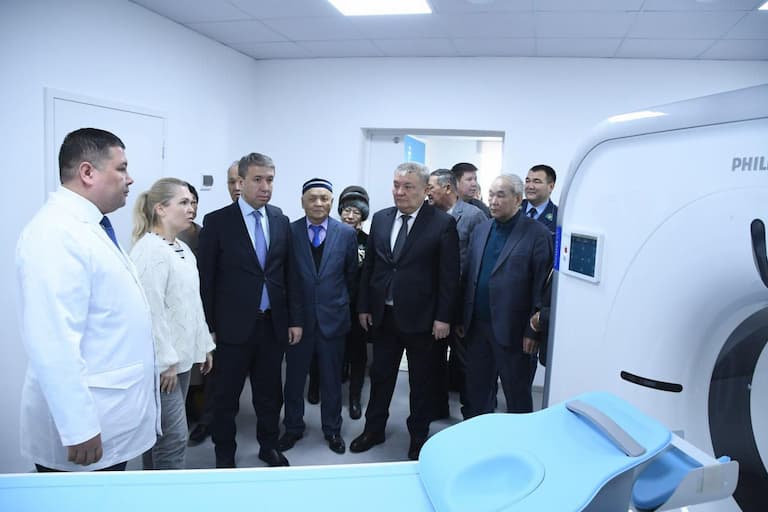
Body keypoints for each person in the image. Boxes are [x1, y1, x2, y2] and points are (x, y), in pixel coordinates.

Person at [15, 127, 159, 472]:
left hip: (111, 414)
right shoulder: (56, 233)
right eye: (121, 168)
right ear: (87, 172)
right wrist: (78, 427)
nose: (130, 179)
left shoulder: (90, 226)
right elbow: (52, 340)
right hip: (87, 431)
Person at [197, 152, 303, 468]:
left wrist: (295, 319)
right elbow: (206, 280)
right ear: (240, 182)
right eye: (258, 179)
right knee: (225, 398)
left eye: (270, 180)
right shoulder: (217, 222)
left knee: (270, 395)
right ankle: (224, 455)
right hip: (231, 328)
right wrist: (208, 327)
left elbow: (290, 274)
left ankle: (268, 446)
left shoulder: (280, 221)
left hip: (272, 326)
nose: (265, 186)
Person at [350, 162, 459, 461]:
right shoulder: (382, 218)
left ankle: (418, 436)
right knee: (381, 376)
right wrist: (364, 306)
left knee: (420, 382)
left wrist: (443, 317)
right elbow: (370, 267)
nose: (400, 192)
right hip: (384, 316)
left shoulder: (442, 224)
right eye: (396, 185)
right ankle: (374, 429)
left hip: (423, 320)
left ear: (425, 190)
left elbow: (449, 276)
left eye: (408, 186)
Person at [129, 178, 215, 470]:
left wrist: (204, 346)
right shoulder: (150, 251)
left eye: (192, 202)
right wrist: (165, 362)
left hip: (181, 358)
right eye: (184, 202)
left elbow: (192, 303)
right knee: (174, 437)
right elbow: (150, 312)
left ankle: (152, 486)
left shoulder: (182, 249)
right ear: (161, 209)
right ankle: (166, 491)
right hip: (164, 364)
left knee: (162, 434)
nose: (191, 208)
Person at [458, 174, 552, 417]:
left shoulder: (537, 233)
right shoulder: (481, 229)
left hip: (514, 331)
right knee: (477, 392)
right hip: (477, 328)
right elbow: (469, 275)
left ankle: (518, 438)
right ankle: (477, 434)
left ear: (518, 199)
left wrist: (533, 330)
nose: (493, 201)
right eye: (491, 194)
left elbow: (542, 286)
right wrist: (461, 317)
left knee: (517, 396)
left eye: (501, 195)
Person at [280, 179, 357, 455]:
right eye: (312, 198)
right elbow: (285, 278)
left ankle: (332, 429)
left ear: (332, 202)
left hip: (332, 319)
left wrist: (338, 305)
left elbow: (351, 276)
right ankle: (292, 427)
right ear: (302, 201)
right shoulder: (289, 232)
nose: (318, 203)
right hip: (298, 323)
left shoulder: (346, 234)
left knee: (331, 380)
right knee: (294, 380)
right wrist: (293, 319)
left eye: (324, 198)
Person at [426, 169, 486, 419]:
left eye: (431, 187)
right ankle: (437, 407)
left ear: (447, 188)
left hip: (462, 303)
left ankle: (472, 414)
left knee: (466, 362)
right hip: (436, 303)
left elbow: (478, 262)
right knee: (434, 359)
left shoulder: (473, 216)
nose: (427, 192)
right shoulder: (429, 216)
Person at [338, 185, 371, 420]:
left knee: (358, 354)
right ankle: (318, 386)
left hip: (358, 308)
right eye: (346, 211)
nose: (350, 216)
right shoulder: (331, 236)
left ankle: (354, 398)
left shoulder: (368, 241)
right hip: (334, 305)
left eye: (356, 212)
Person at [522, 164, 558, 238]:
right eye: (527, 181)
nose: (530, 186)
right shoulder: (512, 208)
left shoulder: (558, 217)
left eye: (536, 182)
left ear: (551, 187)